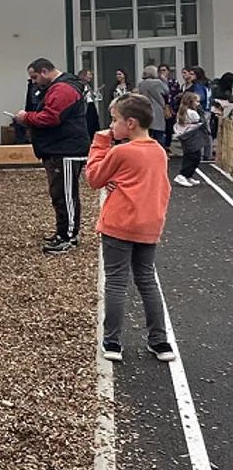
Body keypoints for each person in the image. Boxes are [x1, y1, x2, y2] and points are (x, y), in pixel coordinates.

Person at [86, 93, 175, 363]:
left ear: (131, 123)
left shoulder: (120, 151)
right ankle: (159, 340)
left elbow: (94, 177)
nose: (111, 125)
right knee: (147, 281)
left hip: (119, 224)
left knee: (116, 282)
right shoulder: (159, 152)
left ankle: (112, 341)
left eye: (115, 120)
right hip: (148, 225)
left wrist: (100, 143)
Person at [15, 58, 90, 255]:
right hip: (60, 148)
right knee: (60, 194)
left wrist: (27, 118)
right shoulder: (61, 87)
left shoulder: (63, 89)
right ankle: (63, 232)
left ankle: (68, 236)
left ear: (44, 72)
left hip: (66, 149)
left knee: (65, 195)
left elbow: (51, 117)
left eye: (34, 77)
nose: (33, 82)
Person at [173, 91, 206, 187]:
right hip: (191, 137)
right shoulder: (192, 113)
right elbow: (201, 121)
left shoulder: (183, 111)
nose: (198, 104)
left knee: (189, 156)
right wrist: (200, 110)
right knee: (194, 157)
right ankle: (183, 175)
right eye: (197, 102)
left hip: (185, 137)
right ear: (191, 102)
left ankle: (188, 175)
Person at [183, 66, 212, 161]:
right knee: (206, 131)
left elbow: (200, 97)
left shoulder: (198, 85)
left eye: (192, 74)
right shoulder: (207, 83)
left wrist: (192, 99)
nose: (190, 76)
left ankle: (202, 153)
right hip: (207, 108)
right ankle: (207, 153)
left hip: (200, 109)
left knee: (200, 131)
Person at [136, 65, 169, 145]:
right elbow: (166, 91)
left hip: (145, 108)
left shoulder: (141, 84)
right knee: (159, 134)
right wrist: (164, 80)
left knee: (148, 132)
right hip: (157, 109)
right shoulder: (157, 83)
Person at [159, 64, 181, 151]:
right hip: (160, 107)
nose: (162, 72)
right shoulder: (157, 82)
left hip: (171, 107)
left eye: (164, 70)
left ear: (168, 71)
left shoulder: (173, 82)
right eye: (160, 70)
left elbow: (174, 93)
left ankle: (168, 144)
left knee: (169, 126)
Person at [77, 69, 101, 140]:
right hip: (85, 108)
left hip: (91, 105)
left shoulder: (88, 85)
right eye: (89, 74)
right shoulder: (79, 85)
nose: (91, 76)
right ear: (84, 76)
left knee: (94, 124)